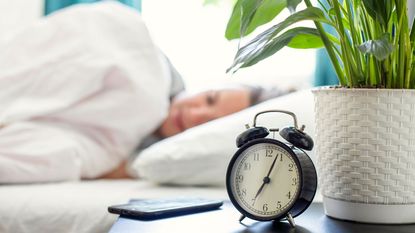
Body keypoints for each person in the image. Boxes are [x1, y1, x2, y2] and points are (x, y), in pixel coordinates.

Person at [0, 1, 290, 183]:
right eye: (209, 99)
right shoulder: (147, 70)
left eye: (207, 124)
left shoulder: (118, 150)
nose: (194, 114)